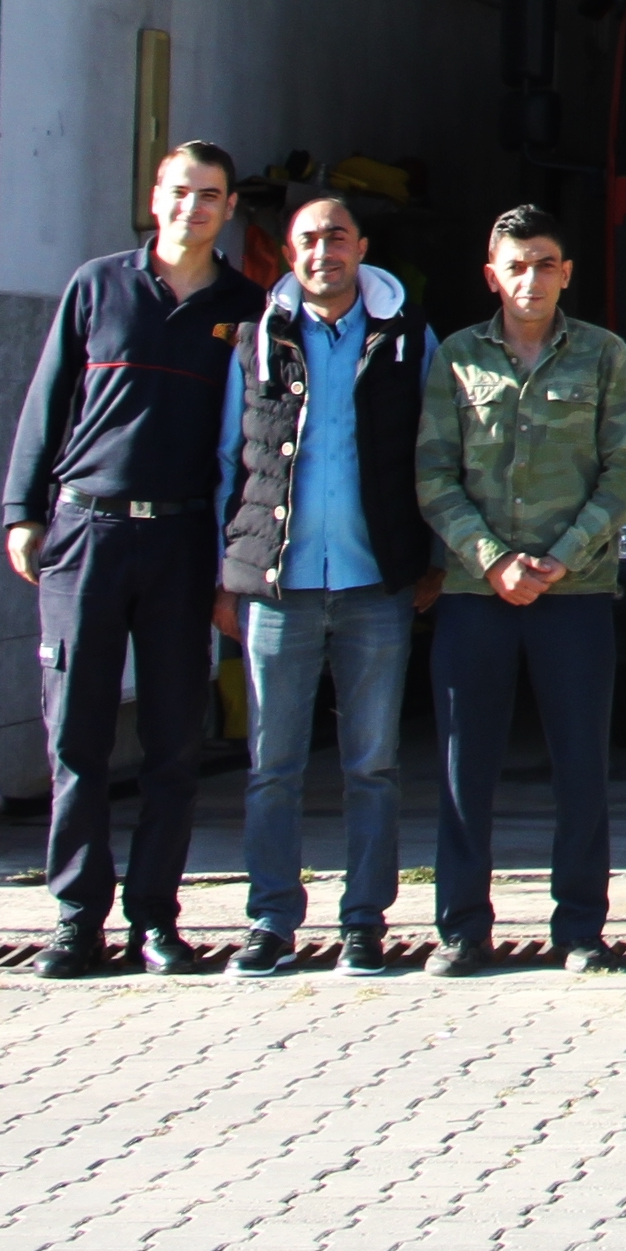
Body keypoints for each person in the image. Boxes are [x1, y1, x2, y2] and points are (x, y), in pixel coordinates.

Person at [2, 140, 266, 979]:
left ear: (229, 209)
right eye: (180, 191)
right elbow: (45, 402)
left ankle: (156, 918)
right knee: (76, 736)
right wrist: (21, 511)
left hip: (185, 540)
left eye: (211, 195)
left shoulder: (247, 306)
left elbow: (257, 444)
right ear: (155, 196)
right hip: (87, 534)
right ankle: (78, 917)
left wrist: (240, 556)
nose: (193, 207)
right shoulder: (98, 285)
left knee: (172, 742)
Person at [416, 204, 626, 977]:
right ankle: (462, 929)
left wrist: (559, 556)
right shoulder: (456, 358)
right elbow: (432, 474)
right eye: (515, 265)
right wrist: (492, 560)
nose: (530, 278)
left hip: (575, 592)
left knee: (580, 764)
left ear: (566, 272)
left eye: (544, 262)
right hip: (475, 593)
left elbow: (625, 469)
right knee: (464, 766)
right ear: (492, 274)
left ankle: (581, 927)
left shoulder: (603, 355)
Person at [214, 191, 439, 977]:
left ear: (362, 246)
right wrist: (226, 574)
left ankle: (364, 922)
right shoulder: (256, 340)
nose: (323, 251)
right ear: (286, 251)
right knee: (273, 763)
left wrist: (432, 561)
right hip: (279, 585)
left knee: (371, 763)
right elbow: (229, 464)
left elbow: (438, 452)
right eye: (308, 238)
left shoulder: (409, 337)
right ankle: (271, 921)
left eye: (337, 237)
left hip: (376, 582)